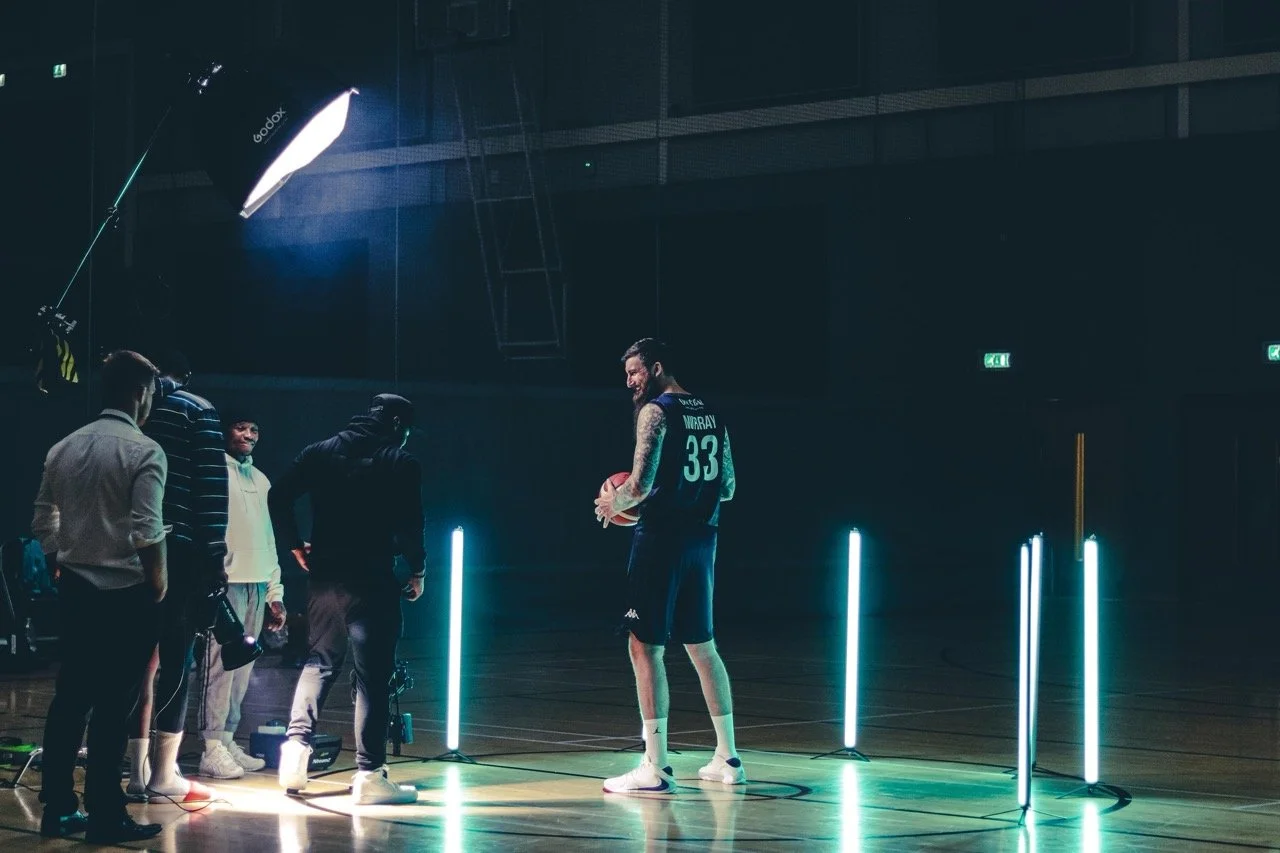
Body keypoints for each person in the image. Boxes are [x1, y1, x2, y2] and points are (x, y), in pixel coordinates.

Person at [594, 338, 745, 794]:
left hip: (660, 542)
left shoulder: (655, 412)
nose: (630, 382)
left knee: (644, 647)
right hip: (703, 541)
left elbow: (638, 487)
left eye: (635, 373)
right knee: (703, 647)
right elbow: (729, 488)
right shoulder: (713, 413)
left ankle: (655, 766)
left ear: (657, 368)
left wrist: (610, 504)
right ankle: (728, 757)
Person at [32, 350, 166, 842]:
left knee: (69, 700)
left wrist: (59, 560)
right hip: (126, 594)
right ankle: (107, 814)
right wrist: (159, 584)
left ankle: (58, 808)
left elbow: (42, 520)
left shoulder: (63, 447)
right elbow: (147, 528)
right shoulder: (145, 450)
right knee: (113, 707)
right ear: (139, 392)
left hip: (77, 593)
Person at [269, 393, 426, 805]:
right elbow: (412, 523)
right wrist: (418, 568)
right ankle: (370, 775)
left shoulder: (320, 452)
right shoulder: (400, 461)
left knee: (319, 662)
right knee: (373, 676)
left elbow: (278, 496)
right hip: (371, 578)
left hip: (324, 577)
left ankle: (295, 754)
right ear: (397, 425)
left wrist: (293, 546)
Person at [125, 350, 225, 803]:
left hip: (127, 547)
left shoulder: (133, 415)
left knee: (136, 662)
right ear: (183, 374)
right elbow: (210, 488)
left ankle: (133, 772)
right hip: (180, 548)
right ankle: (165, 773)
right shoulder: (197, 409)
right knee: (176, 660)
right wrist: (216, 555)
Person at [197, 411, 286, 779]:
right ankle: (211, 747)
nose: (248, 434)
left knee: (243, 669)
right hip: (225, 583)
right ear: (226, 431)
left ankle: (228, 738)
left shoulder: (262, 478)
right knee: (218, 667)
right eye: (241, 427)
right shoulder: (213, 470)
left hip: (255, 584)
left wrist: (274, 591)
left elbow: (269, 538)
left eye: (254, 429)